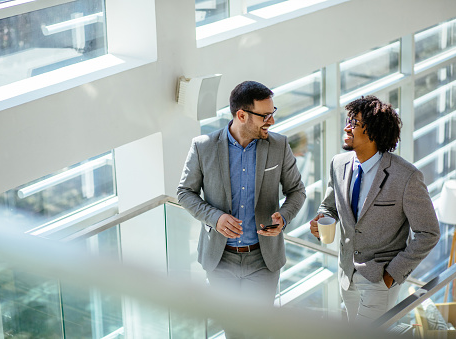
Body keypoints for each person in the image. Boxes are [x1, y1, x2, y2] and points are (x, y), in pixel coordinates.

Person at [177, 80, 306, 338]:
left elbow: (297, 192)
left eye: (273, 113)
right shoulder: (203, 147)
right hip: (220, 260)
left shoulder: (279, 146)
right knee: (233, 330)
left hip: (262, 260)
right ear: (241, 115)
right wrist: (215, 217)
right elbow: (184, 193)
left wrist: (284, 217)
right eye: (265, 115)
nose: (271, 120)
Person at [309, 95, 440, 323]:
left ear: (374, 133)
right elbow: (331, 206)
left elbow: (429, 233)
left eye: (354, 123)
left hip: (380, 279)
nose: (347, 127)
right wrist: (323, 218)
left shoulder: (406, 177)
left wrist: (391, 275)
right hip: (347, 274)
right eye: (348, 120)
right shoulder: (338, 164)